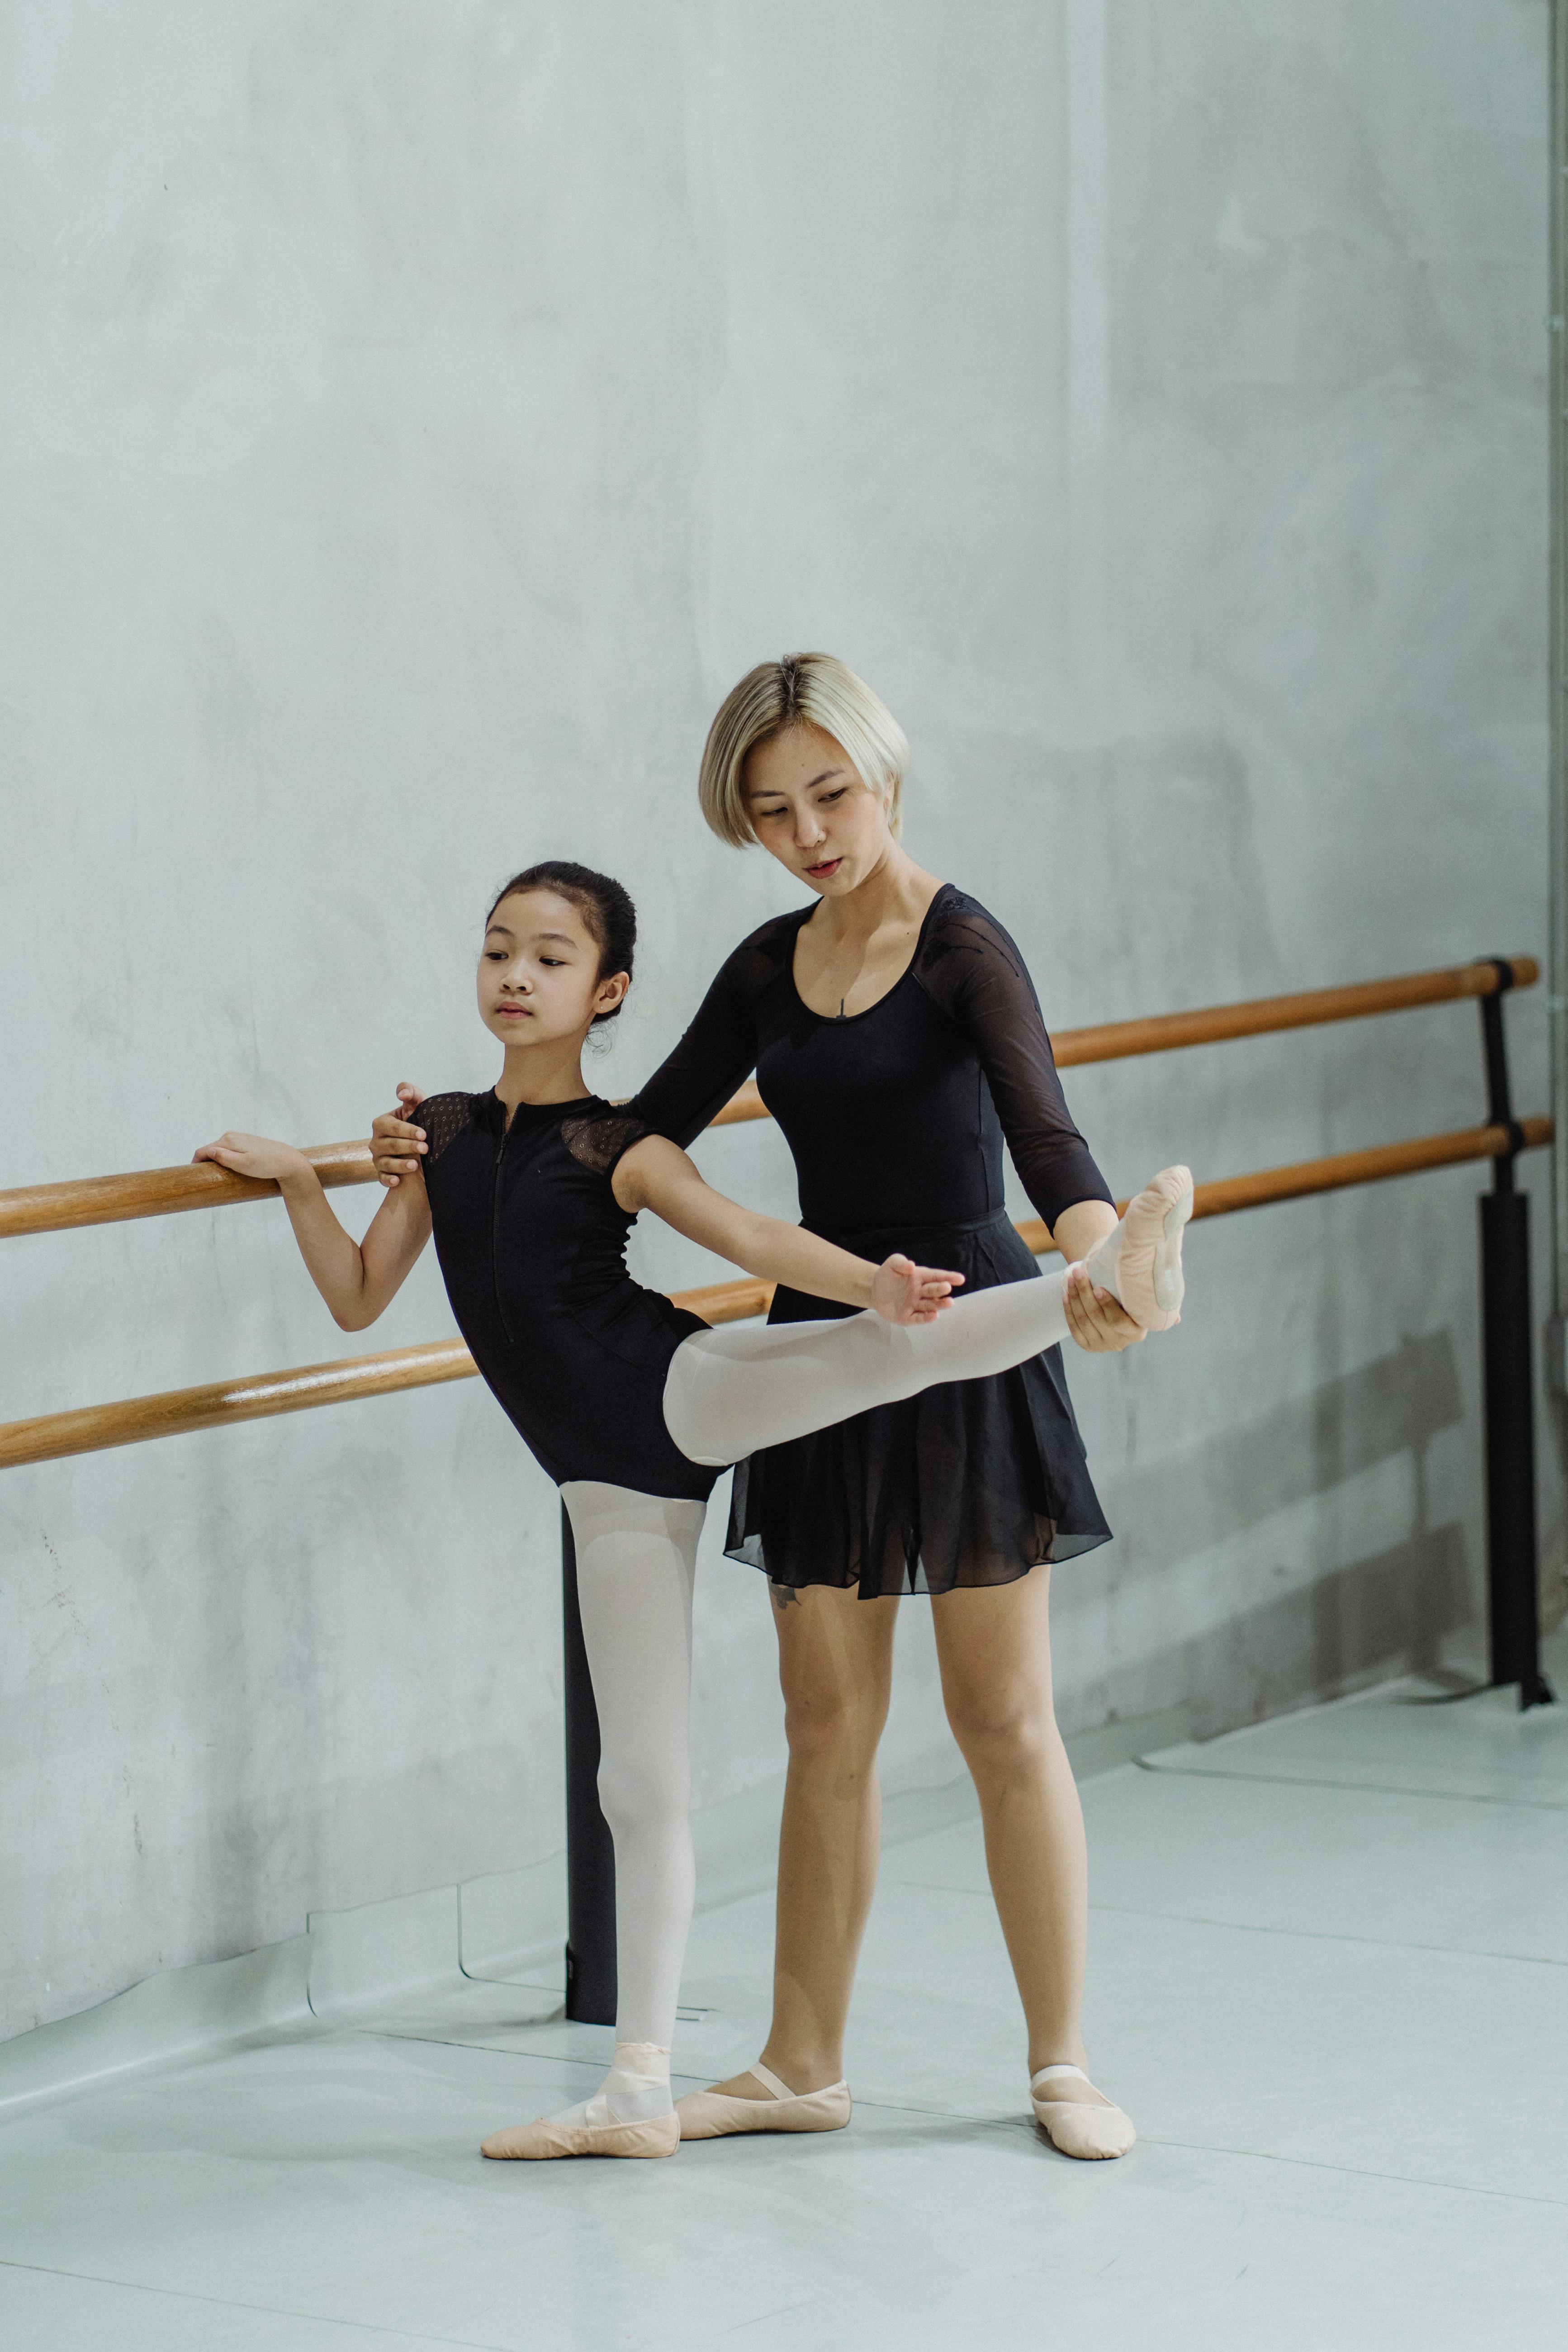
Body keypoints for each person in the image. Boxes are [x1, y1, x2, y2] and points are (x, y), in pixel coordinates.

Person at [364, 834, 1191, 2163]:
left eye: (829, 791)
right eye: (772, 804)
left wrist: (1098, 1267)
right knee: (825, 1721)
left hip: (964, 1295)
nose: (806, 826)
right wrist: (419, 1141)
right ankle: (799, 2066)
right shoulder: (765, 965)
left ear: (880, 778)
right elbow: (635, 1130)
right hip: (826, 1308)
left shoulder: (961, 943)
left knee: (1001, 1716)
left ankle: (1061, 2063)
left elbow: (1045, 1133)